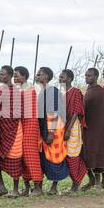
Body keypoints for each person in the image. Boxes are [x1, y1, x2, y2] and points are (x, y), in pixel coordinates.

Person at [36, 67, 69, 195]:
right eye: (37, 74)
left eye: (40, 74)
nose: (37, 75)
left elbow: (54, 111)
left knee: (55, 157)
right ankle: (42, 185)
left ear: (47, 77)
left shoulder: (53, 91)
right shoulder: (41, 92)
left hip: (54, 128)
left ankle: (54, 187)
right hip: (44, 126)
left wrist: (51, 132)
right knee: (44, 156)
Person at [14, 66, 44, 196]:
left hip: (30, 124)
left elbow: (24, 110)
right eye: (14, 75)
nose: (15, 77)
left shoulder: (30, 90)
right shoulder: (18, 90)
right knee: (21, 156)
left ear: (24, 76)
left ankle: (37, 186)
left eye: (17, 75)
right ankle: (26, 186)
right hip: (21, 125)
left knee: (30, 155)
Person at [0, 66, 23, 198]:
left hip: (14, 128)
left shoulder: (16, 91)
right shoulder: (0, 90)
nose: (1, 76)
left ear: (10, 75)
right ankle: (1, 186)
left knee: (15, 156)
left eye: (3, 74)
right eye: (0, 74)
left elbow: (18, 112)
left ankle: (16, 189)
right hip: (1, 129)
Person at [59, 69, 87, 193]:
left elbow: (76, 112)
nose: (60, 79)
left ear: (69, 79)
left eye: (62, 77)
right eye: (59, 77)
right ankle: (76, 180)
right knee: (65, 155)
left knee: (72, 155)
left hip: (72, 126)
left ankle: (75, 184)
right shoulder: (61, 93)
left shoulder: (75, 92)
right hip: (62, 126)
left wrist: (68, 130)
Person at [82, 68, 104, 190]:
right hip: (87, 126)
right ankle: (91, 179)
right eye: (86, 75)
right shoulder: (89, 90)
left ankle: (97, 181)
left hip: (97, 127)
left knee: (96, 153)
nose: (87, 77)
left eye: (90, 76)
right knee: (86, 153)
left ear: (96, 77)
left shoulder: (99, 91)